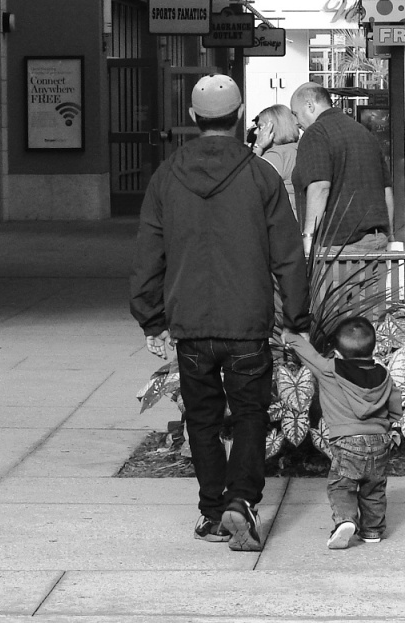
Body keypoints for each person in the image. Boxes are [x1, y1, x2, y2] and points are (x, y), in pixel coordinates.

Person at [130, 74, 312, 552]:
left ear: (193, 117)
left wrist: (152, 319)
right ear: (240, 114)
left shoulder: (166, 175)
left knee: (202, 419)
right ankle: (241, 500)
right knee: (251, 415)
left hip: (191, 324)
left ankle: (213, 511)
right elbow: (288, 255)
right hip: (247, 322)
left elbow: (149, 253)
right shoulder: (261, 175)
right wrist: (297, 319)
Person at [281, 317, 402, 549]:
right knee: (374, 488)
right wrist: (391, 425)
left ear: (336, 352)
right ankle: (372, 531)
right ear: (373, 348)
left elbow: (309, 354)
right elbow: (395, 404)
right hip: (379, 441)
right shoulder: (384, 375)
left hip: (347, 442)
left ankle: (346, 520)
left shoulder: (330, 369)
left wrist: (291, 337)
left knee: (342, 485)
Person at [289, 82, 393, 257]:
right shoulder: (364, 133)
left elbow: (320, 186)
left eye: (295, 114)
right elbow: (386, 190)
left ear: (310, 105)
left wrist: (308, 237)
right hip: (376, 243)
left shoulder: (316, 133)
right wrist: (389, 236)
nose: (295, 121)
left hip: (337, 248)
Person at [251, 104, 300, 217]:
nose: (255, 132)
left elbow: (250, 183)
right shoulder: (296, 150)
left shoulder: (275, 156)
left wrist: (258, 147)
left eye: (260, 127)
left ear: (271, 129)